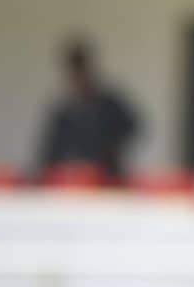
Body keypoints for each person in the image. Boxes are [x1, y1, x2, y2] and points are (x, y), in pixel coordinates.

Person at [37, 37, 140, 184]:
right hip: (71, 182)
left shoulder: (109, 104)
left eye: (80, 69)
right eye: (74, 71)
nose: (78, 76)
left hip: (107, 177)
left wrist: (109, 147)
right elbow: (50, 152)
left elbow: (133, 127)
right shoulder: (64, 110)